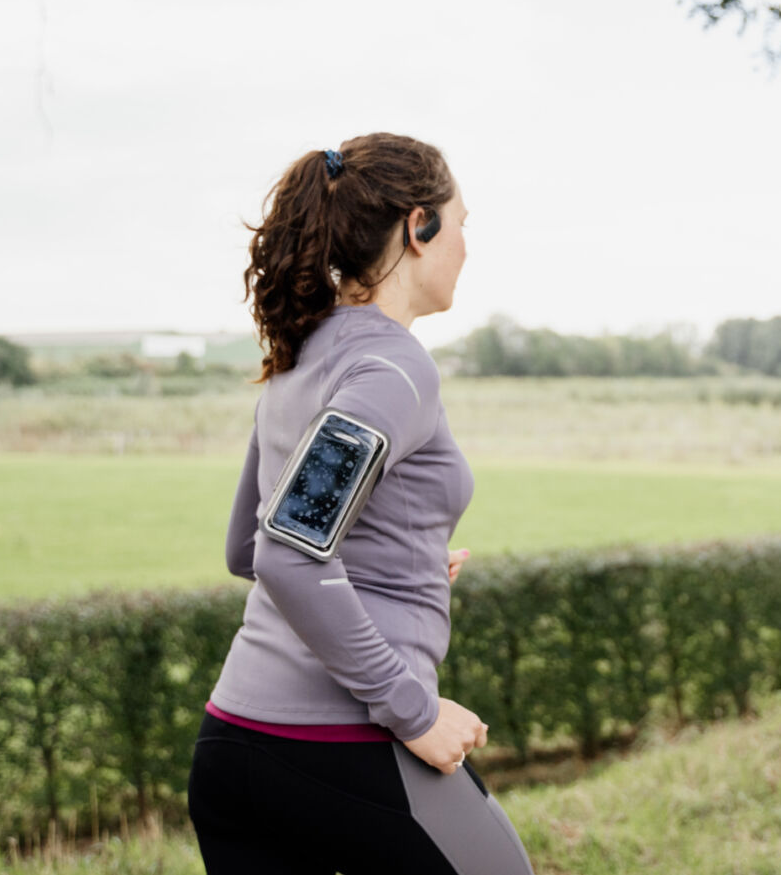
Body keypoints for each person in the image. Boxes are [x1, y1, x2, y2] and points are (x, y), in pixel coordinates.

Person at [187, 132, 535, 875]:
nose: (467, 246)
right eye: (462, 223)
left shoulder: (297, 358)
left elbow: (248, 546)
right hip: (340, 750)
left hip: (232, 746)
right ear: (418, 227)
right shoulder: (391, 369)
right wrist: (414, 710)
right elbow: (285, 553)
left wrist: (401, 560)